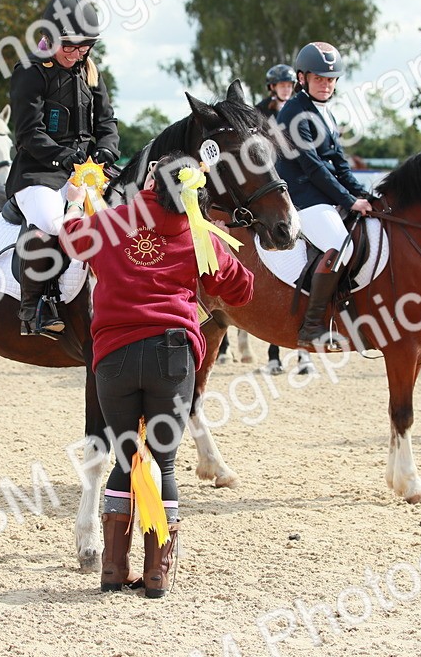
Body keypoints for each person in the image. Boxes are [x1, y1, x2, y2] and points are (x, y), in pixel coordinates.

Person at [61, 152, 254, 597]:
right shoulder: (198, 234)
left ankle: (112, 570)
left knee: (127, 457)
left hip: (114, 356)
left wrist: (76, 200)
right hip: (172, 356)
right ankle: (156, 573)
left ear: (150, 178)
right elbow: (241, 290)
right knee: (162, 461)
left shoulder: (117, 220)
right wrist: (213, 238)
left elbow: (70, 239)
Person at [4, 0, 120, 337]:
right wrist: (63, 156)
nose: (76, 54)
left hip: (89, 172)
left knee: (130, 211)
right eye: (69, 47)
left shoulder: (90, 72)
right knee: (50, 221)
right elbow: (28, 132)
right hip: (39, 171)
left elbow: (108, 123)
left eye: (84, 47)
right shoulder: (31, 72)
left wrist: (107, 150)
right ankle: (35, 305)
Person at [274, 42, 372, 352]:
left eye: (330, 79)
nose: (326, 85)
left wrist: (364, 194)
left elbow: (339, 163)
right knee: (339, 244)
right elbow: (314, 167)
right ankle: (312, 325)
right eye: (319, 78)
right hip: (300, 195)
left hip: (320, 193)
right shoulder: (293, 113)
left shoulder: (324, 112)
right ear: (302, 78)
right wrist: (348, 201)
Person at [256, 63, 297, 374]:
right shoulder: (260, 113)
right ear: (272, 87)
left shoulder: (298, 110)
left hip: (292, 184)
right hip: (267, 185)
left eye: (289, 84)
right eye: (281, 84)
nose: (285, 88)